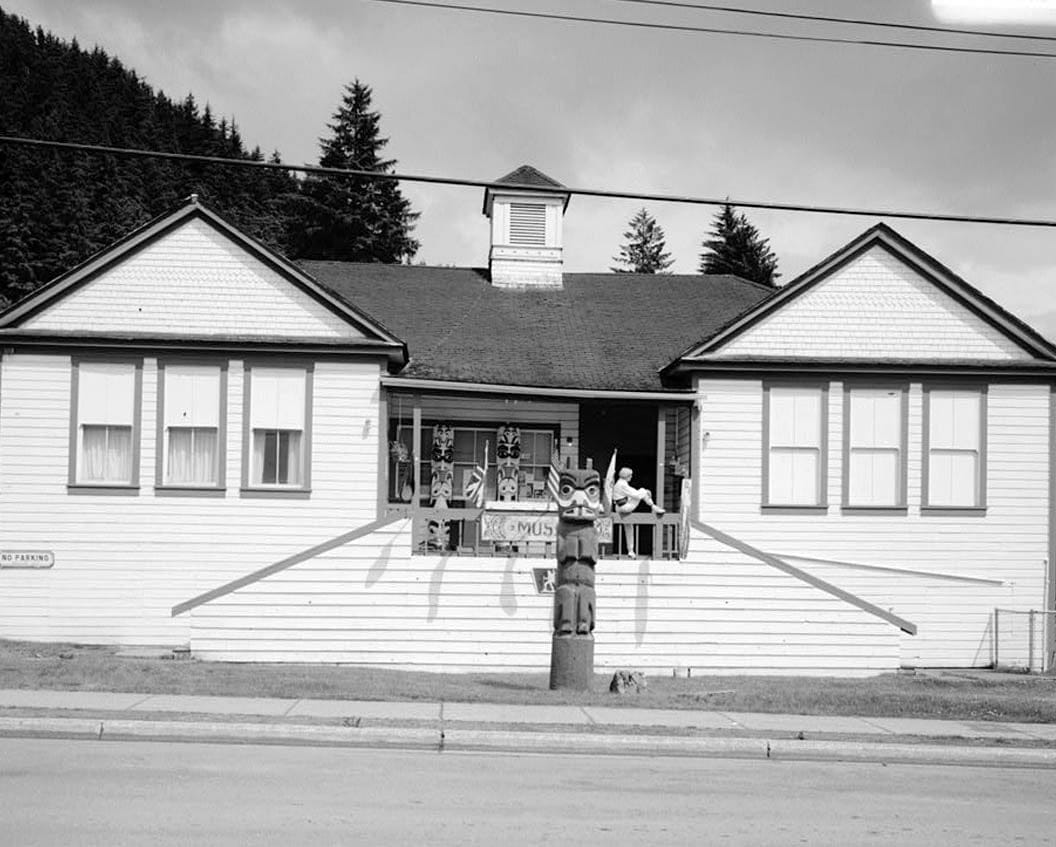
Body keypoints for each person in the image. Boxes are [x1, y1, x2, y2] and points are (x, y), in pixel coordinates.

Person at [611, 467, 664, 558]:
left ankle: (630, 550)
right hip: (624, 507)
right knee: (642, 491)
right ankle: (653, 507)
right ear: (626, 476)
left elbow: (633, 493)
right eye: (630, 475)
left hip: (620, 507)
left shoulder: (620, 483)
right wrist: (646, 492)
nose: (631, 477)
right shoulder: (622, 484)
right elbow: (636, 494)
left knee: (629, 527)